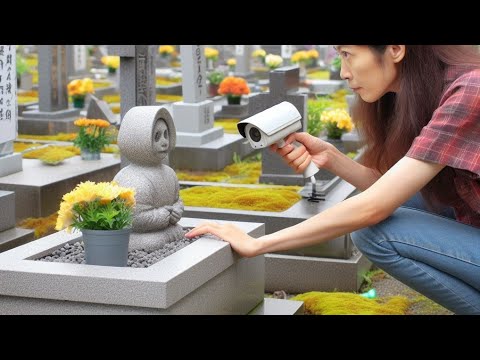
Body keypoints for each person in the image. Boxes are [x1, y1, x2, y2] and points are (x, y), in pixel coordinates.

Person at [185, 45, 480, 315]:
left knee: (375, 233)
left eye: (347, 53)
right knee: (417, 198)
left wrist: (257, 244)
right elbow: (393, 189)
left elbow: (375, 207)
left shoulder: (469, 89)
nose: (343, 72)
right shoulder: (425, 93)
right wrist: (331, 157)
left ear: (395, 49)